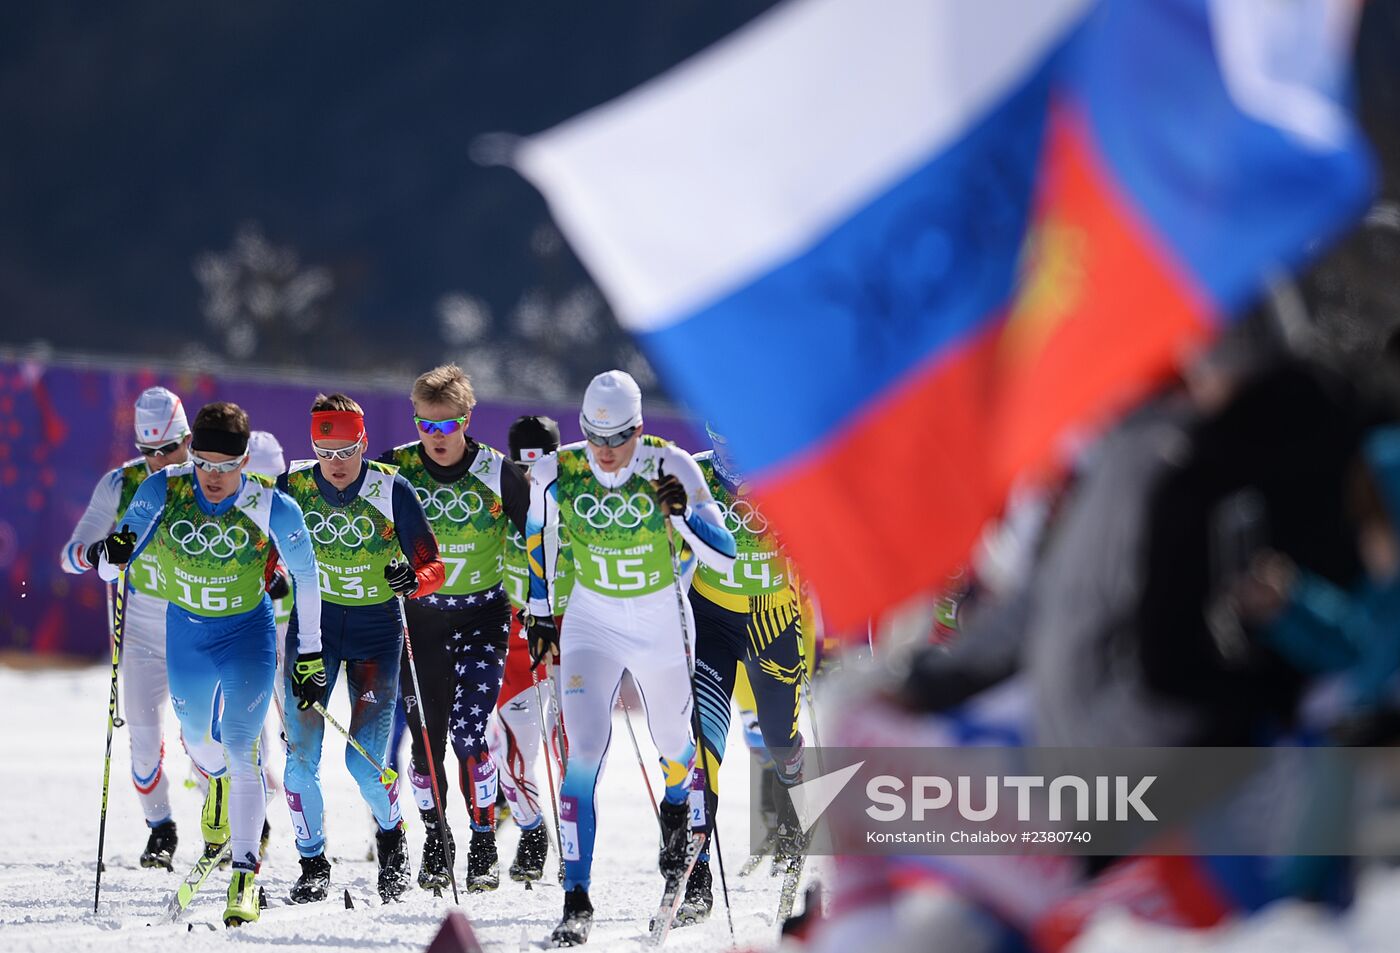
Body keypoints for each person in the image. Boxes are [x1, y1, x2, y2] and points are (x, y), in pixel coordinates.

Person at [87, 401, 323, 926]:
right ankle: (216, 782)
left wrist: (310, 651)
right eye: (203, 464)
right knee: (198, 739)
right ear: (191, 453)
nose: (213, 478)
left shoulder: (271, 504)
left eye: (227, 466)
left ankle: (244, 876)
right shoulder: (164, 489)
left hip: (247, 634)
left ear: (245, 462)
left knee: (241, 746)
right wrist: (113, 552)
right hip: (187, 634)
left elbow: (307, 578)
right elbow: (108, 568)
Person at [524, 369, 737, 946]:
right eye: (595, 436)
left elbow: (726, 557)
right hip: (592, 624)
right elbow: (536, 533)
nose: (605, 451)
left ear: (638, 429)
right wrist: (539, 611)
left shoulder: (672, 466)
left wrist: (685, 518)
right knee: (582, 755)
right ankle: (576, 899)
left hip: (661, 625)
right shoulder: (557, 471)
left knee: (674, 746)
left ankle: (677, 813)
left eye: (618, 438)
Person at [278, 394, 445, 903]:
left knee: (364, 764)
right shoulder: (292, 486)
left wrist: (412, 580)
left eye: (347, 452)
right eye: (325, 453)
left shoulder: (390, 488)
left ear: (364, 443)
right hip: (314, 633)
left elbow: (434, 567)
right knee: (299, 761)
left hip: (376, 635)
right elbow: (261, 552)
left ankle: (392, 839)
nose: (336, 465)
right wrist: (268, 578)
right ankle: (312, 863)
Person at [379, 364, 530, 892]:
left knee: (468, 732)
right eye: (425, 425)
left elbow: (540, 538)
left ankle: (484, 841)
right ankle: (436, 839)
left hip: (483, 617)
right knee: (425, 745)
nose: (436, 437)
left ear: (467, 419)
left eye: (447, 426)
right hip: (419, 624)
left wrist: (544, 603)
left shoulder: (497, 472)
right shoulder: (394, 469)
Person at [682, 423, 809, 923]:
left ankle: (795, 812)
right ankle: (695, 880)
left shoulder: (787, 466)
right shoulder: (691, 473)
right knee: (702, 749)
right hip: (711, 621)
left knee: (780, 739)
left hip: (771, 621)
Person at [61, 386, 191, 870]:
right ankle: (161, 829)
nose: (159, 461)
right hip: (141, 638)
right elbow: (70, 554)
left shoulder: (210, 479)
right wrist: (98, 553)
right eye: (148, 450)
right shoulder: (121, 483)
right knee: (143, 747)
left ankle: (228, 822)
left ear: (188, 439)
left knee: (207, 742)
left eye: (169, 448)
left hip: (200, 632)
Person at [494, 415, 570, 884]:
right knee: (510, 752)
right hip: (516, 635)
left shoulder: (576, 499)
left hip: (567, 630)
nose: (532, 477)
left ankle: (574, 841)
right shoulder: (500, 500)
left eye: (541, 465)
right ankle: (532, 829)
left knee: (571, 748)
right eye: (522, 467)